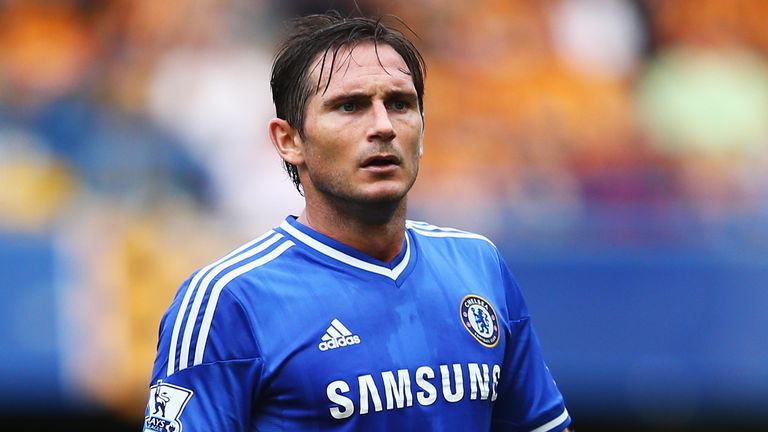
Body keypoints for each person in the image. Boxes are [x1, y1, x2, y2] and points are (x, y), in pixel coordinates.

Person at [143, 11, 572, 432]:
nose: (383, 126)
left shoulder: (478, 264)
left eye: (400, 104)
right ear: (289, 140)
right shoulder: (228, 301)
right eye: (350, 106)